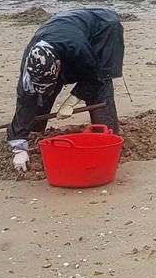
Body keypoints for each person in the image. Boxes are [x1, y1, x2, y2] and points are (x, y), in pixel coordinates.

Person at [7, 9, 125, 171]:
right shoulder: (31, 62)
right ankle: (35, 136)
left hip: (102, 30)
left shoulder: (78, 48)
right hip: (62, 28)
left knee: (101, 84)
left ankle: (107, 139)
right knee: (39, 96)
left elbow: (93, 78)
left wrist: (72, 100)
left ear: (58, 64)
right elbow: (26, 100)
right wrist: (19, 144)